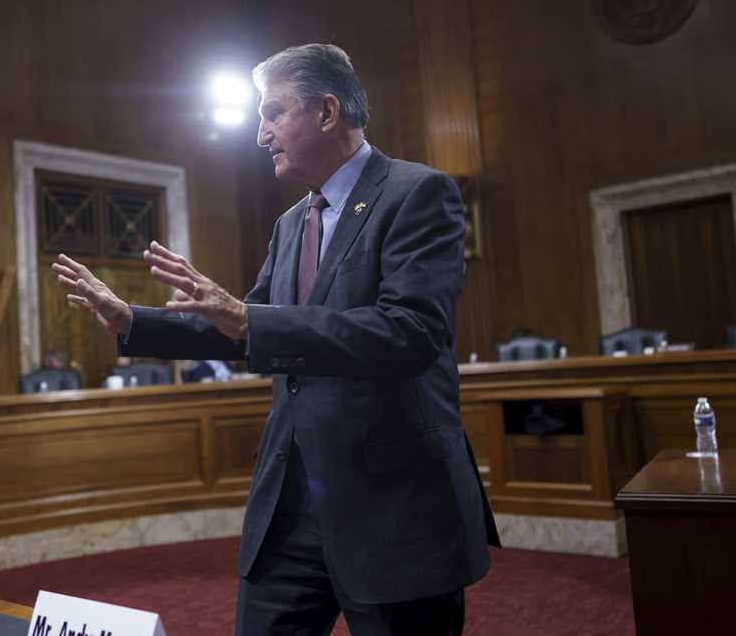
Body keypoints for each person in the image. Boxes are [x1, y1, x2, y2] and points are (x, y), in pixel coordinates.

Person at [55, 43, 498, 635]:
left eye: (272, 113)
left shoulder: (418, 193)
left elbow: (409, 332)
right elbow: (242, 323)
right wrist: (132, 321)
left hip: (392, 503)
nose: (260, 135)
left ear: (327, 111)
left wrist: (248, 319)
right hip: (291, 502)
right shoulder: (291, 223)